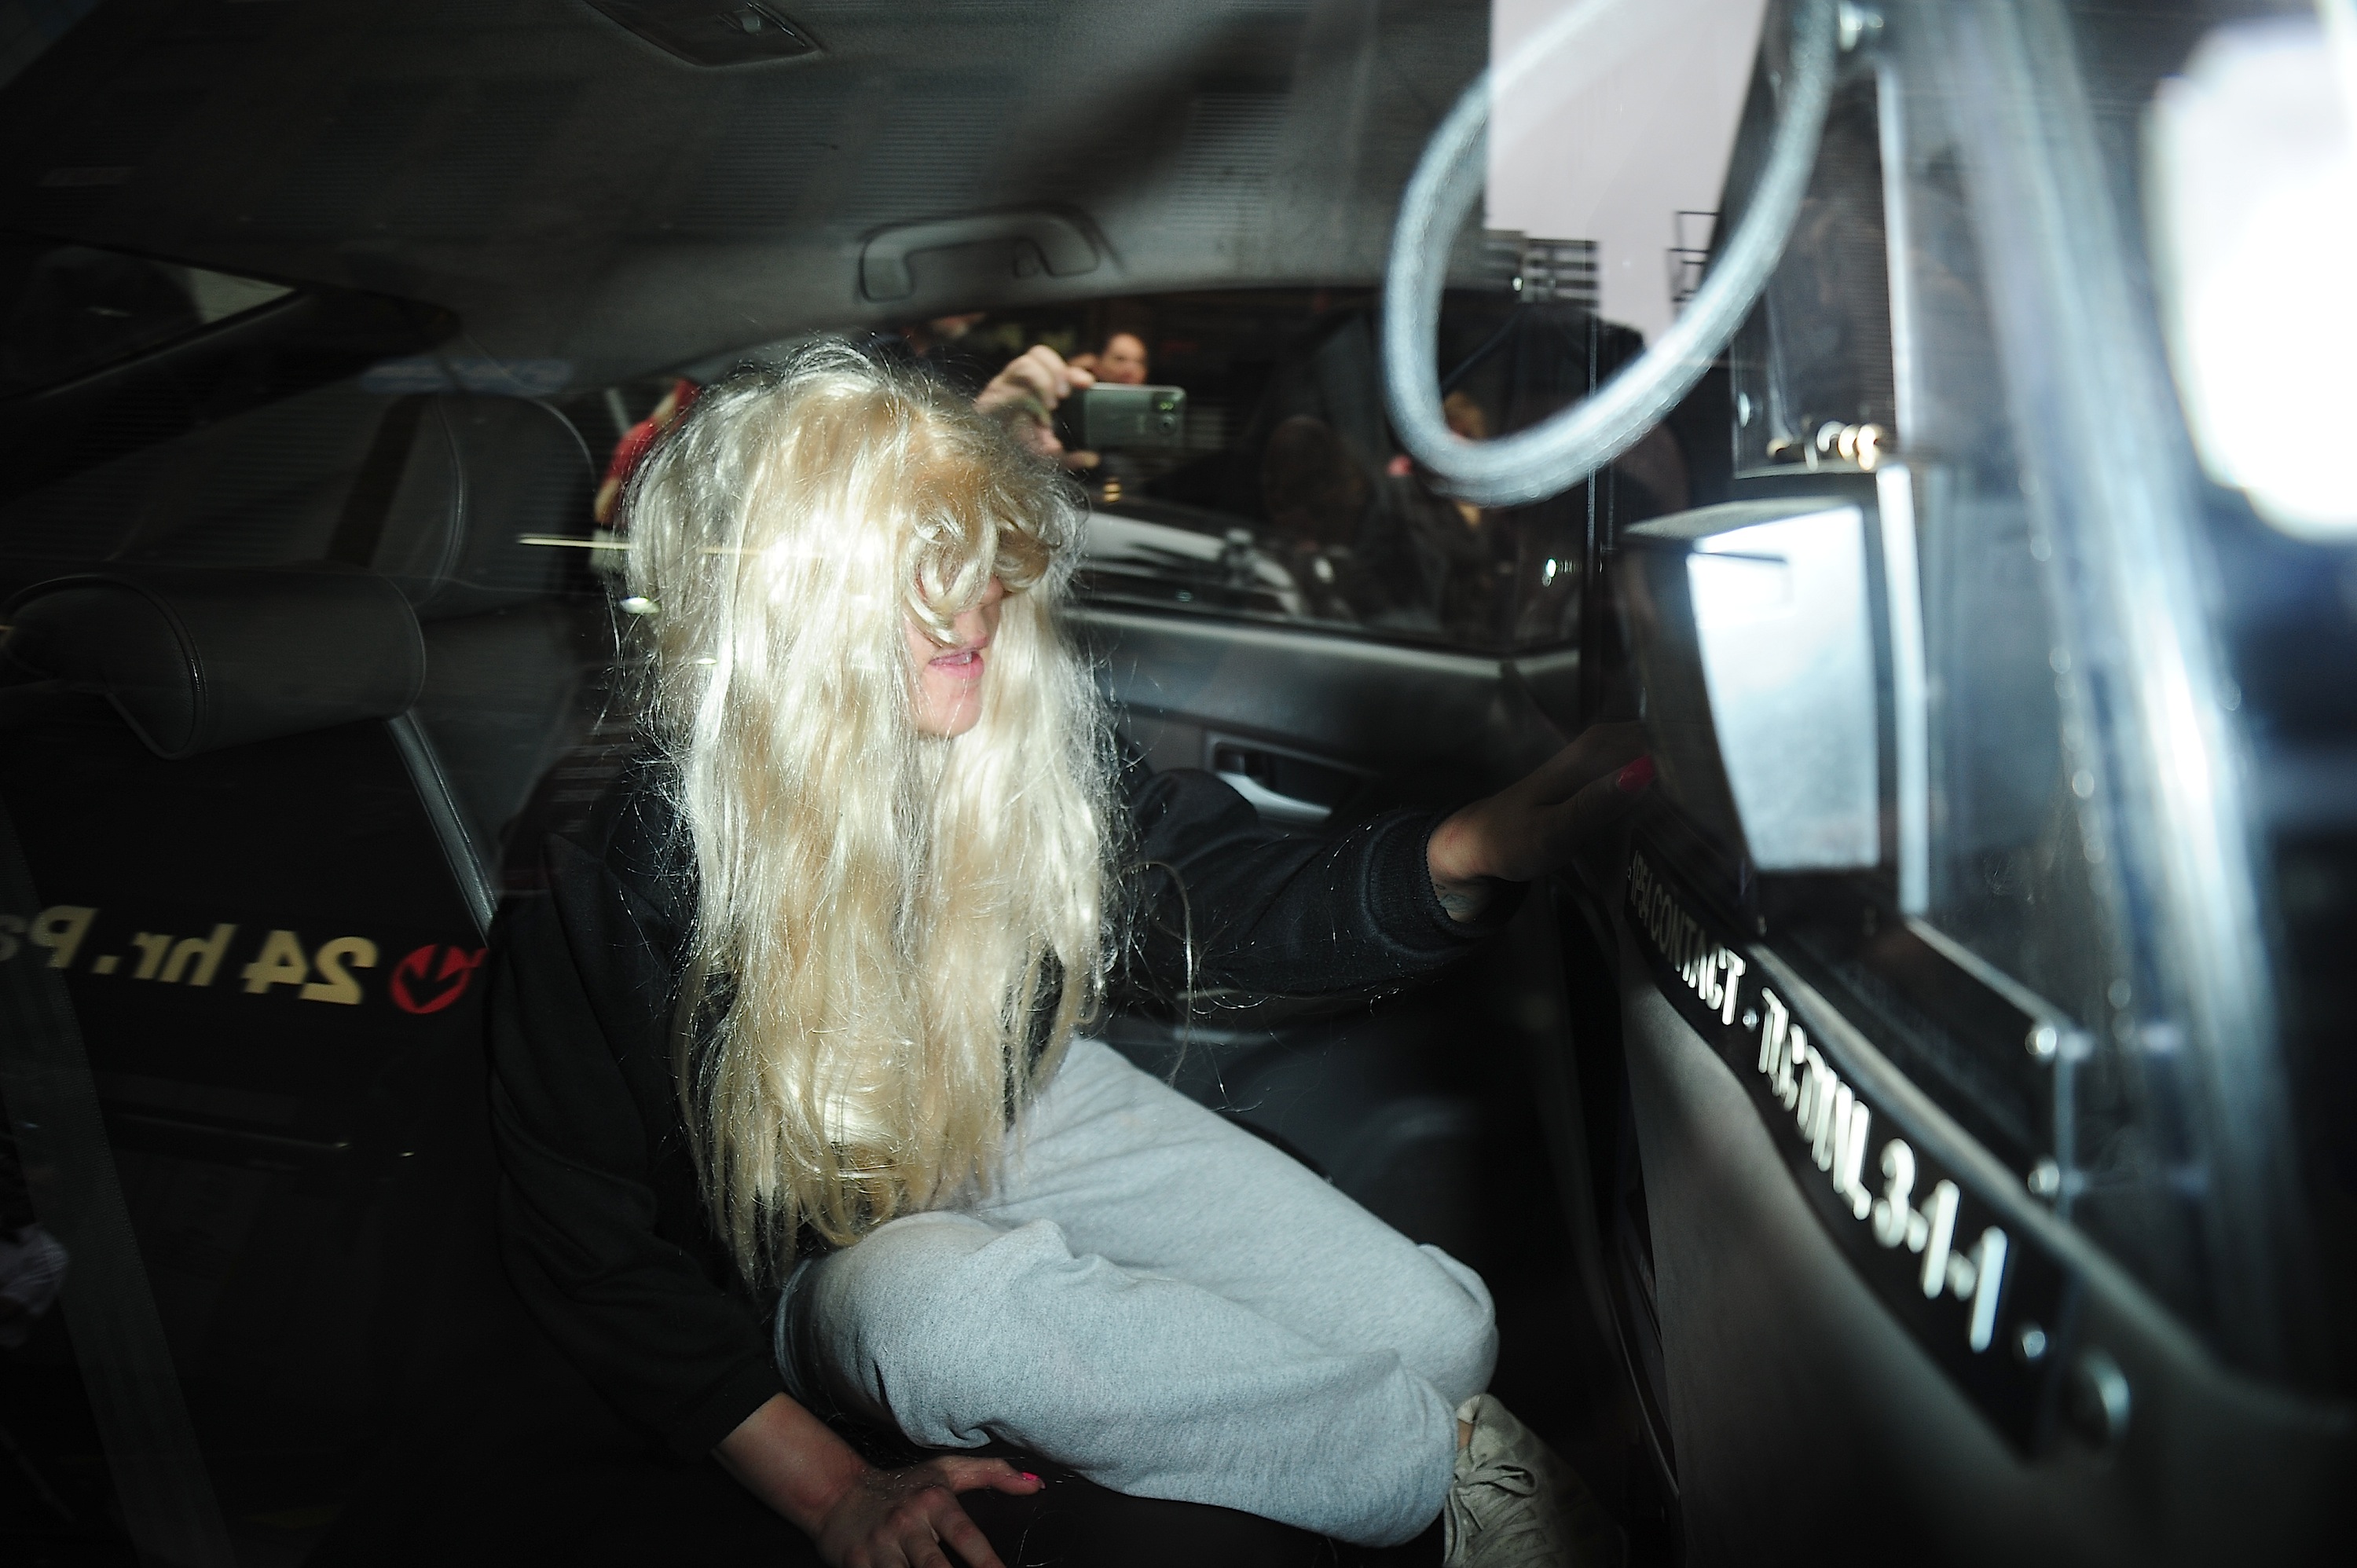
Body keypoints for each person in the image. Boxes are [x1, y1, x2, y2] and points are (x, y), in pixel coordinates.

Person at [489, 339, 1650, 1568]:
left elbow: (1193, 887)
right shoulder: (622, 850)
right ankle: (1478, 1505)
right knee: (943, 1318)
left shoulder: (1005, 743)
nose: (970, 601)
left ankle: (1448, 1456)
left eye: (978, 550)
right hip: (794, 1257)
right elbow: (584, 1240)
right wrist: (835, 1493)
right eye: (907, 566)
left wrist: (1471, 849)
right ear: (786, 593)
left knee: (1439, 1331)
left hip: (991, 1101)